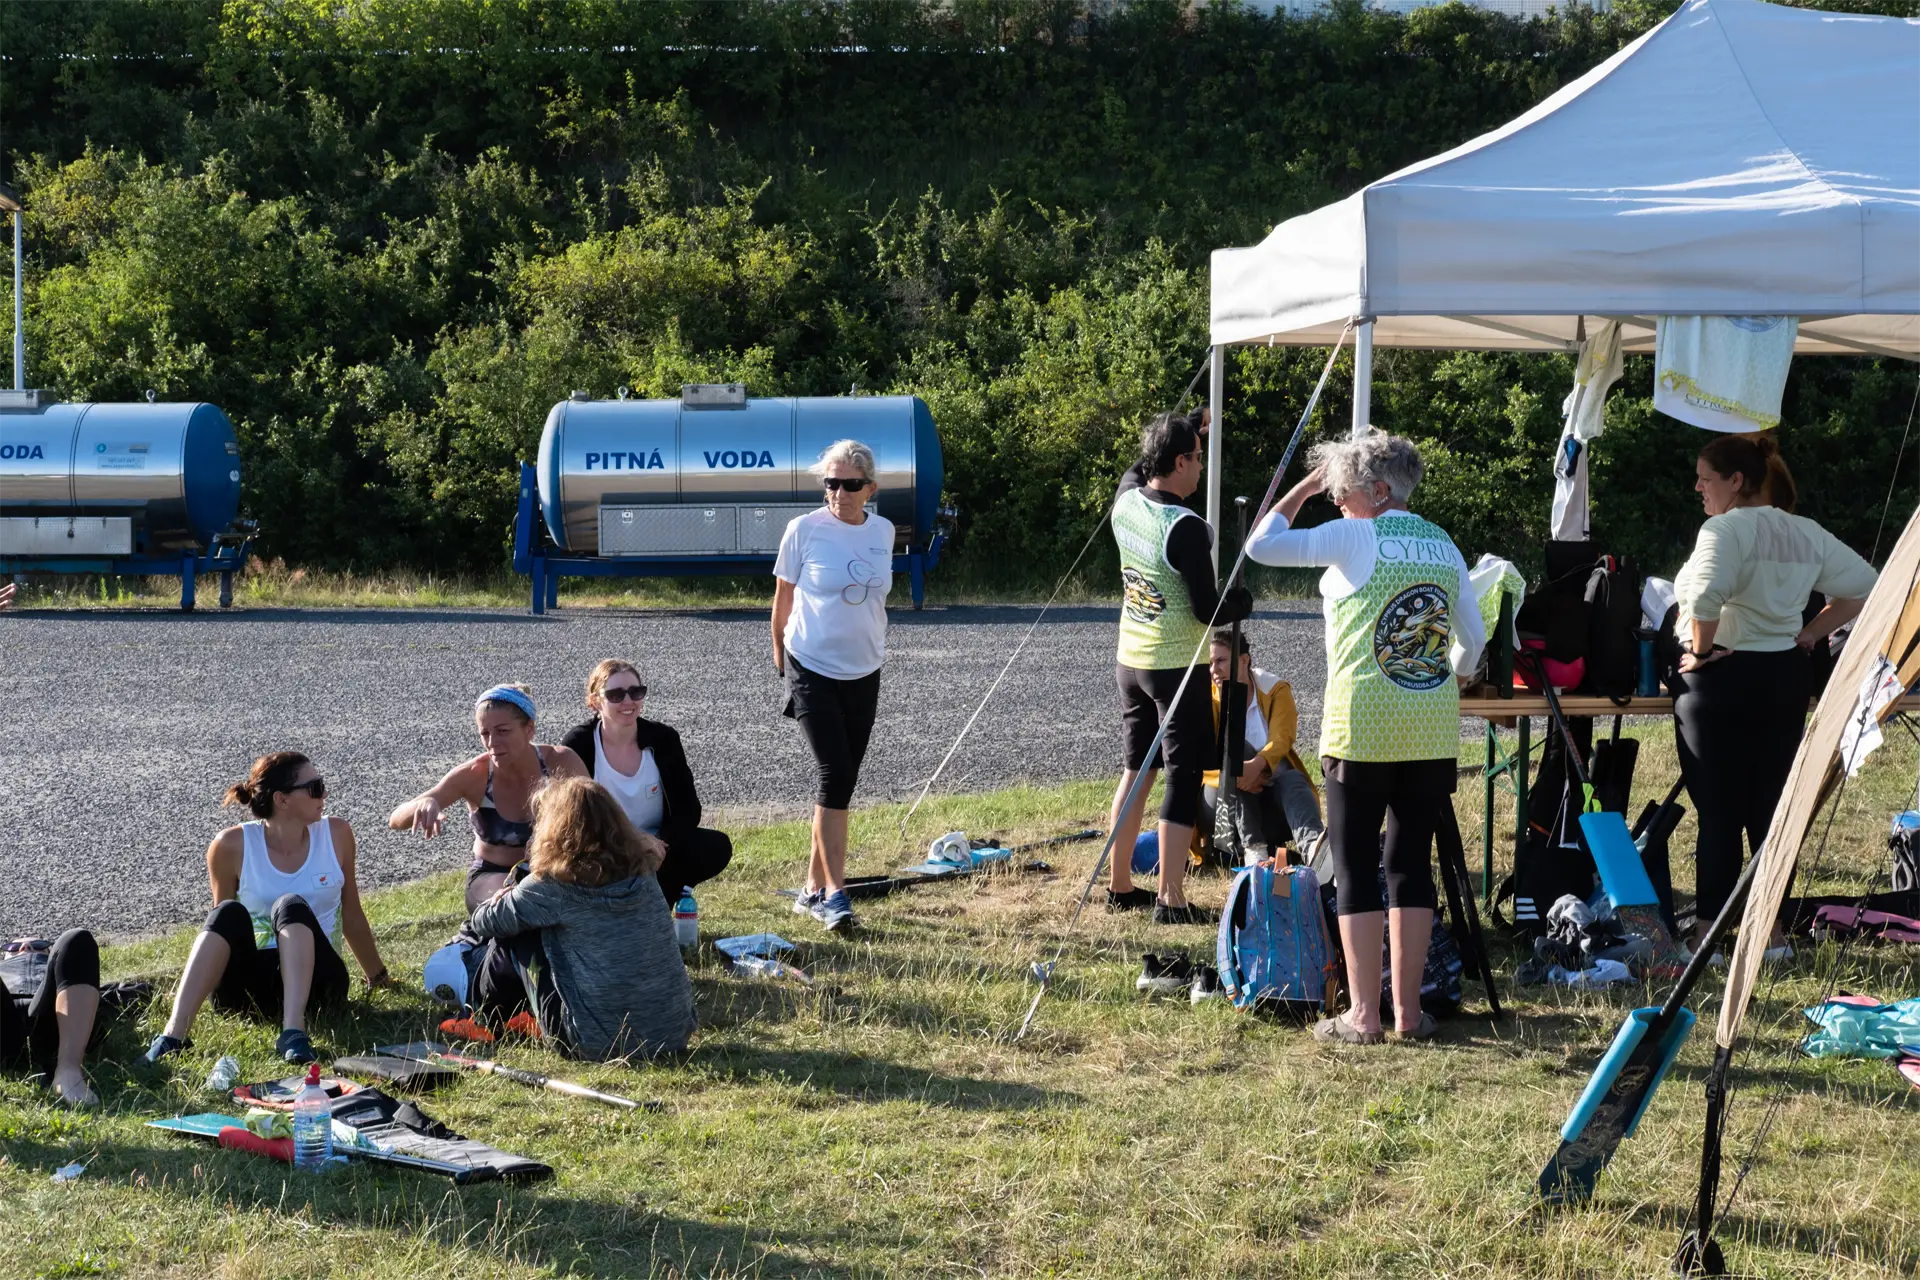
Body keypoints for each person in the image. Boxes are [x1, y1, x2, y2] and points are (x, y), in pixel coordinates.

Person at [1246, 432, 1483, 1042]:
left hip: (1362, 725)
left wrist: (1300, 485)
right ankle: (1408, 1014)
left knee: (1353, 861)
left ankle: (1362, 1015)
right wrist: (1443, 673)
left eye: (1342, 488)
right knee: (1410, 865)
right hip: (1430, 727)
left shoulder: (1357, 534)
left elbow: (1261, 546)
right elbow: (1474, 642)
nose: (1336, 498)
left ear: (1377, 492)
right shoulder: (1443, 542)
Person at [1673, 433, 1875, 948]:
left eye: (1706, 477)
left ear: (1736, 481)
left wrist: (1698, 651)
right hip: (1783, 677)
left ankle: (1707, 936)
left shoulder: (1723, 529)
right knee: (1769, 811)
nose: (1698, 487)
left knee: (1719, 812)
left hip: (1723, 677)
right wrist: (1811, 631)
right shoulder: (1804, 531)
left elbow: (1704, 593)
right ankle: (1774, 932)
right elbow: (1866, 582)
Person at [144, 753, 391, 1065]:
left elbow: (352, 913)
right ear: (282, 799)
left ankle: (294, 1032)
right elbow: (223, 932)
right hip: (249, 991)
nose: (324, 794)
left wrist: (378, 976)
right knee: (226, 913)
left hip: (320, 985)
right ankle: (172, 1036)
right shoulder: (230, 845)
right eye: (315, 787)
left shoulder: (337, 834)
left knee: (291, 906)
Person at [1105, 408, 1251, 925]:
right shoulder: (1186, 528)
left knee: (1136, 770)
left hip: (1131, 659)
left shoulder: (1126, 501)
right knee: (1183, 776)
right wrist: (1243, 603)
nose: (1200, 468)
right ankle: (1170, 897)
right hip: (1174, 666)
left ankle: (1120, 885)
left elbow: (1135, 467)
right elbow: (1206, 610)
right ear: (1182, 461)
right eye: (1196, 458)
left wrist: (1187, 422)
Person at [466, 777, 695, 1061]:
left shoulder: (553, 887)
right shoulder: (643, 871)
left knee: (517, 930)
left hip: (595, 1043)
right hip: (674, 1032)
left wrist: (503, 897)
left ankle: (486, 1017)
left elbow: (485, 923)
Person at [771, 439, 895, 935]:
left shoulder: (883, 531)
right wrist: (781, 658)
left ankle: (809, 888)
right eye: (830, 483)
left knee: (841, 783)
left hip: (865, 668)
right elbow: (782, 598)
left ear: (869, 488)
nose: (838, 493)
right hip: (811, 665)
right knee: (834, 774)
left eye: (849, 484)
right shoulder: (803, 530)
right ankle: (835, 896)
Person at [388, 685, 587, 911]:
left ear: (529, 729)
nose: (492, 742)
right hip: (493, 874)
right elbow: (395, 820)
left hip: (554, 871)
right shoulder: (475, 774)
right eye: (485, 733)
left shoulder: (560, 762)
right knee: (518, 905)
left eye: (502, 731)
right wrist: (425, 802)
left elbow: (597, 814)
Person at [560, 659, 733, 901]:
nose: (628, 701)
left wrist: (659, 843)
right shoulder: (579, 744)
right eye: (616, 694)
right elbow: (570, 818)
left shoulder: (664, 739)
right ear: (595, 701)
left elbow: (689, 809)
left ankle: (667, 895)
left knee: (715, 845)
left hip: (657, 846)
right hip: (604, 847)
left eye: (636, 692)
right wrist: (629, 842)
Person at [1198, 631, 1324, 865]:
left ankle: (1315, 850)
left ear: (1244, 660)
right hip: (1221, 807)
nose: (1213, 669)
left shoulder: (1275, 689)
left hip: (1269, 795)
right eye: (1211, 663)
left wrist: (1257, 767)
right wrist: (1237, 774)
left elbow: (1282, 738)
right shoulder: (1204, 698)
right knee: (1239, 752)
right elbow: (1197, 759)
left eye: (1221, 661)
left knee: (1294, 779)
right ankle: (1253, 849)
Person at [0, 929, 104, 1106]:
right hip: (4, 1018)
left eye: (39, 945)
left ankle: (68, 1071)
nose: (26, 946)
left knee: (77, 938)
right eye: (13, 947)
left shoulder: (61, 965)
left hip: (53, 1019)